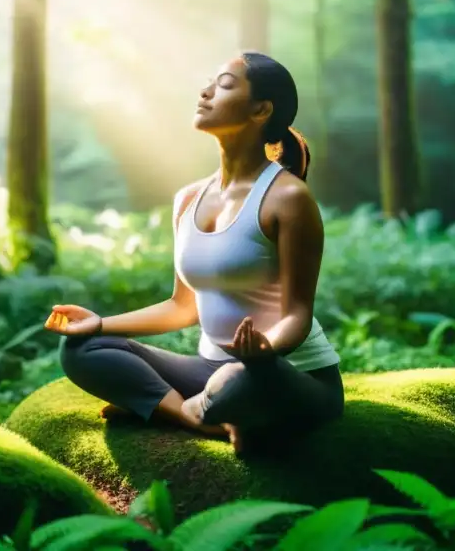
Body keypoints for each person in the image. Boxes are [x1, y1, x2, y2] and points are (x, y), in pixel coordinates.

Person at [43, 52, 344, 457]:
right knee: (82, 349)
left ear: (260, 109)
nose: (205, 92)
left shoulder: (288, 198)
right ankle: (193, 416)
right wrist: (100, 324)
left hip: (282, 375)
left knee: (238, 381)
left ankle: (166, 407)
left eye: (223, 84)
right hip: (208, 373)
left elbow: (297, 316)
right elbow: (181, 308)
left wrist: (265, 351)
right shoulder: (188, 199)